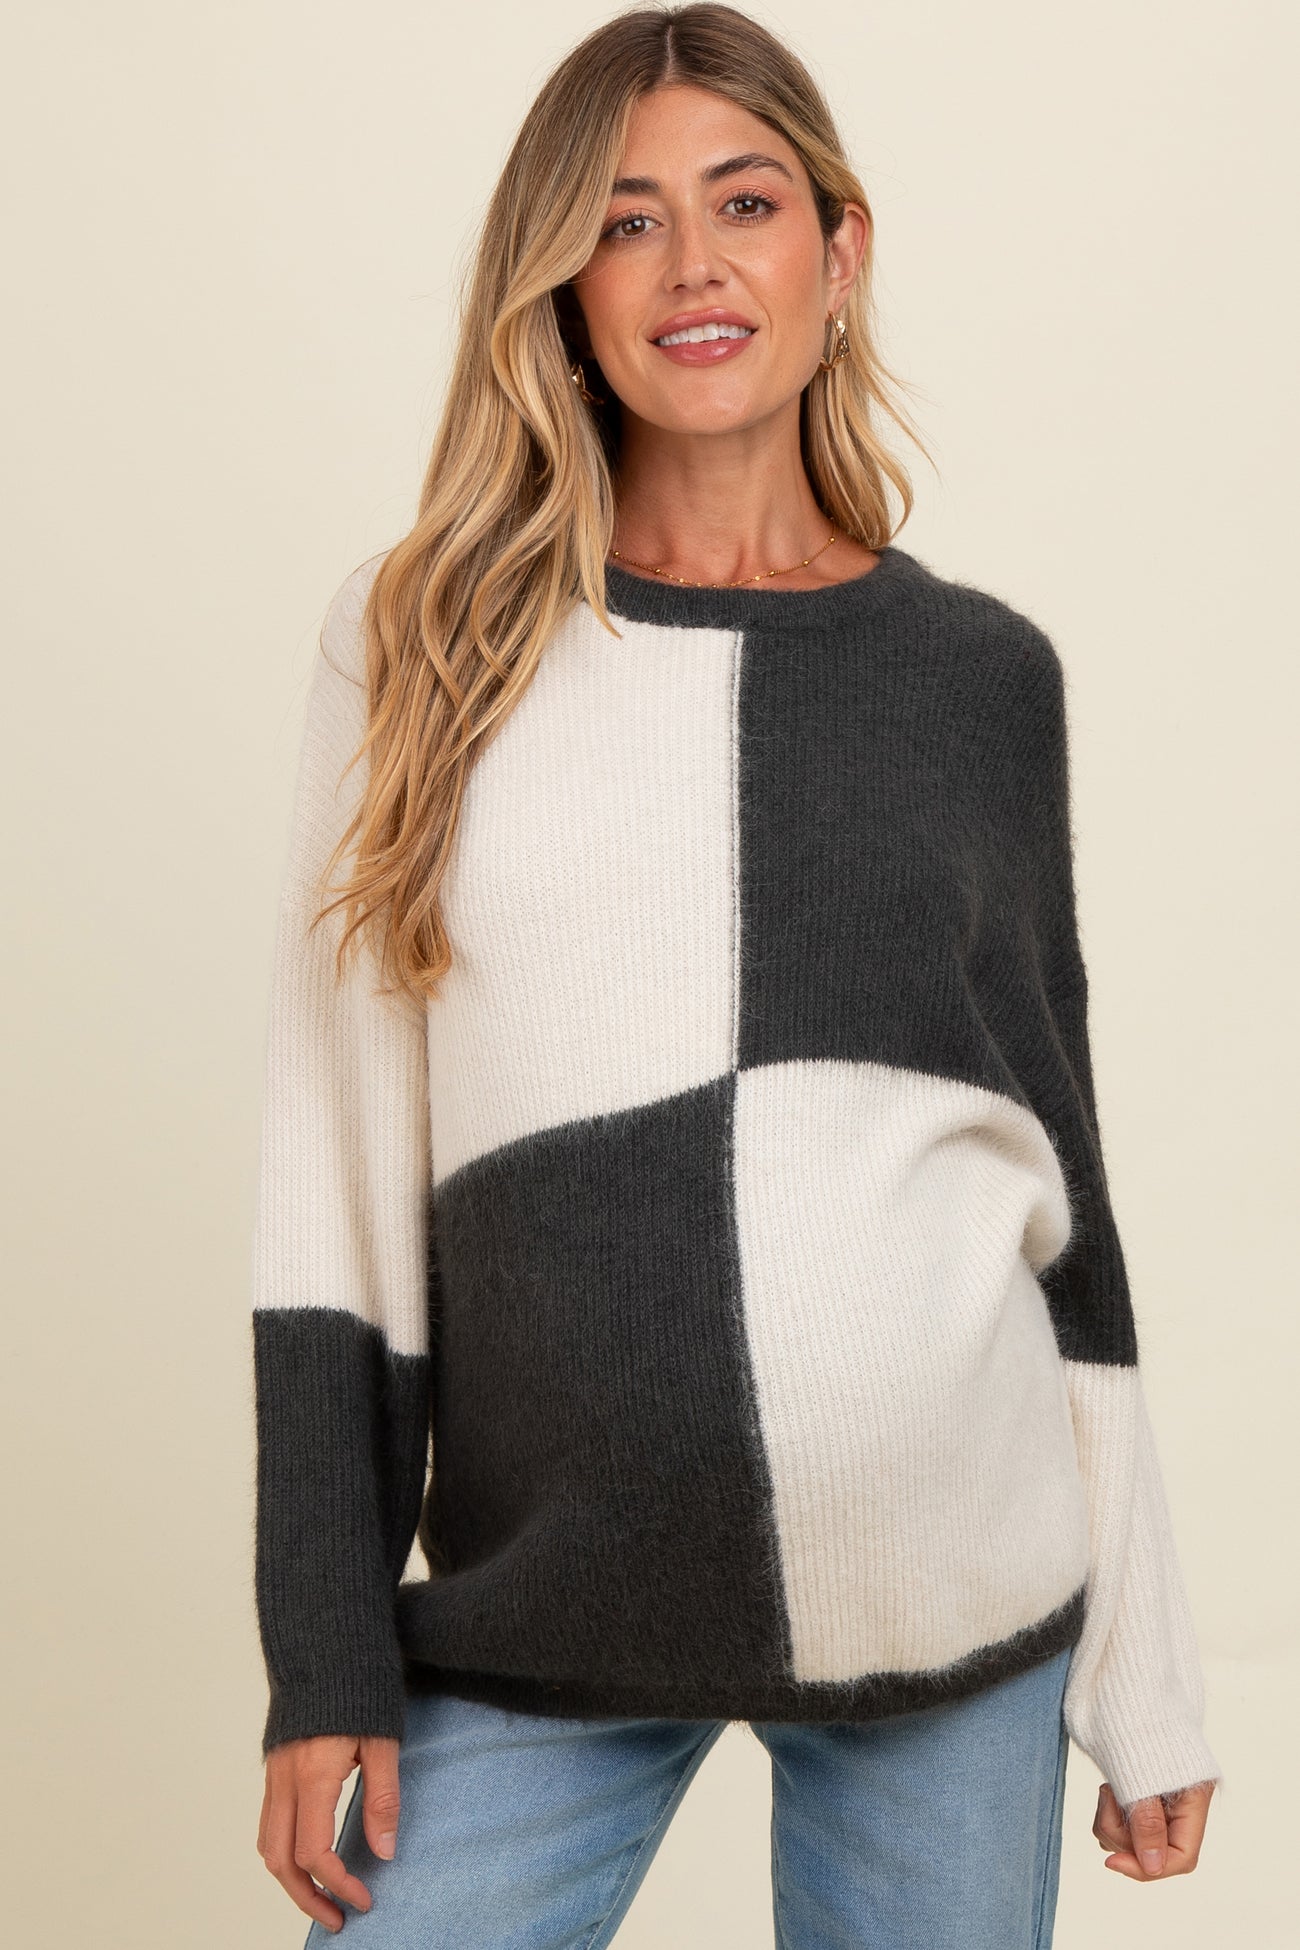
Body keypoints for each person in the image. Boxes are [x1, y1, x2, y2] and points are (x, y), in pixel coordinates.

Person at [250, 7, 1223, 1944]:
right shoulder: (421, 646)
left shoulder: (980, 681)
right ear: (561, 286)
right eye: (623, 222)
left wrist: (1147, 1666)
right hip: (545, 1604)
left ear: (838, 252)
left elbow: (1060, 1198)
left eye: (745, 204)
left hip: (952, 1605)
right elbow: (331, 1192)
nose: (690, 265)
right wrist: (324, 1650)